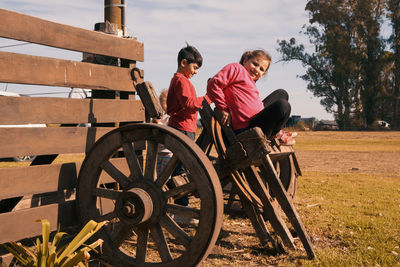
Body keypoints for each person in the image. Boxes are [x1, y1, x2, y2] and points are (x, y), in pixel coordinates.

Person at [207, 49, 296, 145]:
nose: (257, 69)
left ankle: (275, 133)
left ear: (263, 74)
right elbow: (213, 83)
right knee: (283, 106)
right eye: (255, 64)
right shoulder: (237, 68)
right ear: (245, 60)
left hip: (258, 121)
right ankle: (276, 135)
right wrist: (223, 107)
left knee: (282, 93)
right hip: (247, 128)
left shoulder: (252, 84)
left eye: (261, 69)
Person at [167, 43, 210, 206]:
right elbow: (188, 102)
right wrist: (207, 98)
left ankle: (181, 202)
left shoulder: (182, 80)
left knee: (182, 166)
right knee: (181, 168)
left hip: (186, 128)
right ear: (184, 63)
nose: (196, 72)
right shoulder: (181, 80)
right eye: (195, 67)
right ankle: (181, 206)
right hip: (182, 128)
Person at [155, 89, 173, 176]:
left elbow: (167, 130)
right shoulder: (162, 116)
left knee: (165, 175)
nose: (163, 106)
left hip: (168, 151)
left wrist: (158, 123)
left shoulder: (170, 118)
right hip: (159, 152)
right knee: (159, 174)